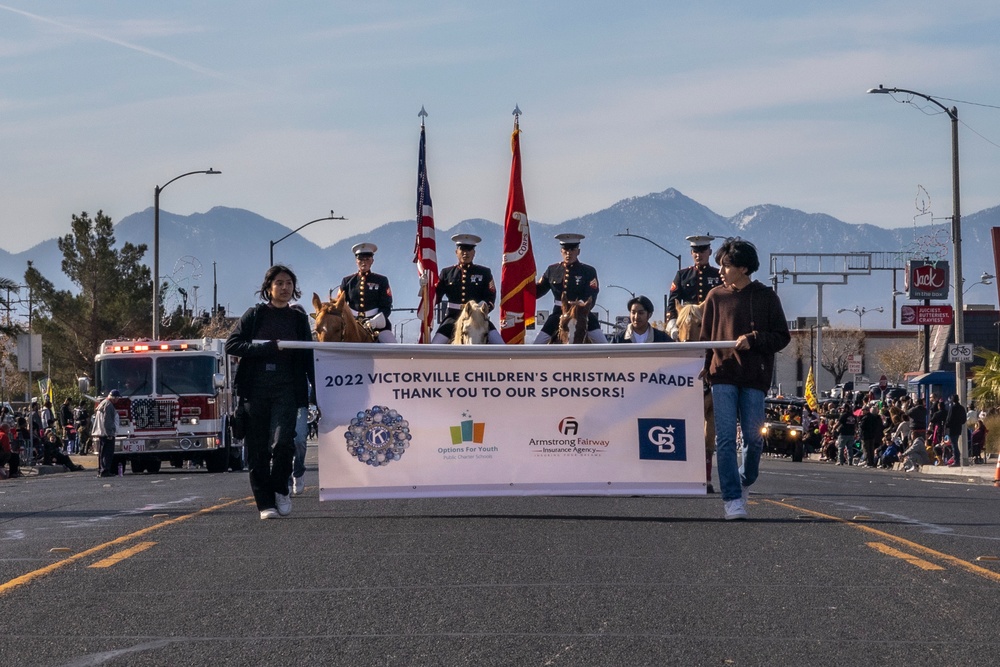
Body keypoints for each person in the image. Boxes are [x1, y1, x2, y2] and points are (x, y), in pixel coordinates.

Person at [700, 237, 790, 520]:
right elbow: (705, 339)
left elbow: (782, 337)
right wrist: (704, 366)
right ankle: (732, 499)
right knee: (725, 439)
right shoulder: (715, 297)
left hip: (754, 377)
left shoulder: (766, 297)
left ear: (743, 267)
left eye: (725, 266)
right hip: (722, 375)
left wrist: (755, 339)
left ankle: (744, 480)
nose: (721, 272)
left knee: (753, 440)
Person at [226, 264, 316, 520]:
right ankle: (265, 503)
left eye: (289, 283)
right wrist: (267, 348)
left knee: (283, 443)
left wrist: (316, 393)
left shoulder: (298, 319)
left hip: (287, 389)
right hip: (255, 390)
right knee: (258, 451)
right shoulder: (255, 315)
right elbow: (233, 344)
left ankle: (281, 489)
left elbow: (308, 355)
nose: (285, 288)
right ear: (268, 287)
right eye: (279, 283)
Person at [533, 233, 608, 344]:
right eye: (565, 249)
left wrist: (581, 307)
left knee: (605, 347)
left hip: (582, 314)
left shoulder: (588, 271)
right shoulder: (552, 270)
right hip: (558, 314)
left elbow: (592, 293)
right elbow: (537, 291)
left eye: (572, 249)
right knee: (537, 345)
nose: (569, 253)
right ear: (561, 251)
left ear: (578, 251)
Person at [431, 234, 504, 344]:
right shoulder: (447, 273)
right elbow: (436, 296)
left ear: (474, 253)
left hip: (478, 318)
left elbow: (491, 296)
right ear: (456, 252)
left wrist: (482, 309)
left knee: (502, 347)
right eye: (462, 249)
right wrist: (426, 292)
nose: (466, 253)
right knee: (434, 347)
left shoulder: (484, 272)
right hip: (453, 318)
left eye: (469, 249)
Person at [665, 234, 723, 340]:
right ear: (691, 253)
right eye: (695, 252)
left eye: (702, 251)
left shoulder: (718, 275)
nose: (698, 255)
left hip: (712, 322)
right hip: (687, 323)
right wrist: (673, 324)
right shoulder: (682, 275)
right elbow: (673, 301)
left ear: (709, 252)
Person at [338, 243, 396, 343]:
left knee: (393, 347)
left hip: (377, 326)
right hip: (352, 324)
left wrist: (375, 321)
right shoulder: (347, 281)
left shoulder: (381, 280)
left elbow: (386, 306)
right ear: (356, 261)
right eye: (360, 259)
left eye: (367, 259)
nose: (364, 263)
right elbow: (339, 305)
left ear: (372, 261)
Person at [92, 389, 121, 477]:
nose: (118, 400)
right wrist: (109, 433)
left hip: (101, 432)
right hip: (106, 433)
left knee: (102, 452)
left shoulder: (103, 403)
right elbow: (107, 421)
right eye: (117, 398)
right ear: (114, 397)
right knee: (107, 453)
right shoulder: (109, 405)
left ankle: (101, 470)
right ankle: (105, 471)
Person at [944, 394, 966, 466]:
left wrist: (946, 425)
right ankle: (956, 460)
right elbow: (964, 419)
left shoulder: (952, 408)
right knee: (955, 443)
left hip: (952, 428)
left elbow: (949, 418)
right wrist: (959, 423)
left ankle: (957, 460)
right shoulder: (962, 408)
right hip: (958, 428)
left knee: (954, 445)